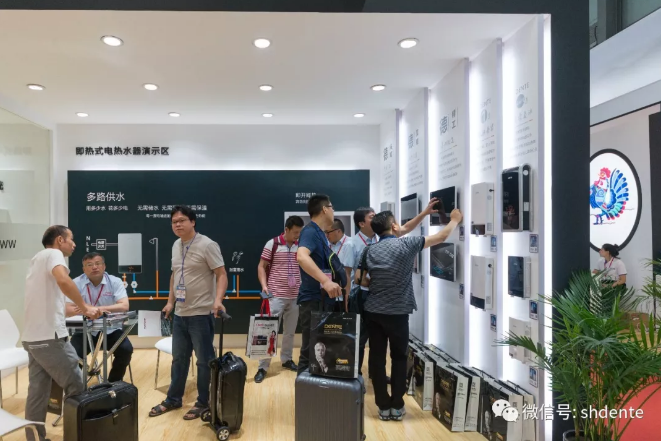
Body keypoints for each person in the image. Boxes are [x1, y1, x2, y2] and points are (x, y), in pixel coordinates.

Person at [355, 206, 462, 421]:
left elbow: (360, 279)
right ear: (394, 226)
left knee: (377, 358)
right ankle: (397, 405)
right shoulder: (407, 244)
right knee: (399, 357)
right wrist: (454, 220)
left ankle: (383, 406)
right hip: (398, 312)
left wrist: (378, 282)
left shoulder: (369, 250)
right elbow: (441, 237)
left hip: (374, 312)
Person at [22, 225, 101, 441]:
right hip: (49, 337)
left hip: (33, 338)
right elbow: (64, 281)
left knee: (38, 392)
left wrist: (75, 308)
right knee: (76, 384)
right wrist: (85, 307)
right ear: (59, 240)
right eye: (71, 239)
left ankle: (35, 439)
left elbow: (50, 297)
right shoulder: (54, 254)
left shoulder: (37, 258)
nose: (74, 244)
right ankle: (77, 436)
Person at [150, 205, 228, 420]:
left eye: (182, 220)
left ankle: (204, 402)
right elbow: (175, 275)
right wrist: (170, 302)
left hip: (201, 314)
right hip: (180, 314)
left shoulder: (207, 244)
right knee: (179, 359)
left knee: (204, 361)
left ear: (193, 222)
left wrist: (218, 300)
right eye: (174, 222)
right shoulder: (176, 245)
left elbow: (221, 274)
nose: (177, 225)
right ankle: (173, 399)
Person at [352, 201, 439, 380]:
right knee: (363, 342)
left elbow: (405, 228)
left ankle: (377, 381)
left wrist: (424, 213)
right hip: (364, 300)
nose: (374, 218)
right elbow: (352, 276)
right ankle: (356, 376)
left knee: (377, 348)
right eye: (371, 216)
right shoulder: (353, 244)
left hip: (376, 302)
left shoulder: (378, 240)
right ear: (362, 223)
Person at [65, 252, 133, 383]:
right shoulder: (76, 283)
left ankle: (114, 383)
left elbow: (124, 306)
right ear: (84, 269)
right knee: (72, 356)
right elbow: (67, 309)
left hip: (110, 330)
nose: (94, 267)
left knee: (126, 350)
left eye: (97, 263)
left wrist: (94, 310)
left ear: (104, 266)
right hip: (84, 331)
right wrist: (88, 310)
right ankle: (77, 387)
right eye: (89, 265)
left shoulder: (115, 281)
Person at [296, 194, 342, 375]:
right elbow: (301, 256)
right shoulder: (310, 232)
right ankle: (304, 390)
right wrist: (325, 281)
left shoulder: (320, 233)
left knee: (319, 351)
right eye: (332, 207)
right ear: (324, 209)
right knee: (310, 352)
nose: (333, 211)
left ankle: (316, 389)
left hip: (321, 301)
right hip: (313, 301)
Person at [254, 215, 304, 383]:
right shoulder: (273, 244)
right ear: (286, 230)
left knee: (290, 332)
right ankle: (263, 366)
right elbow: (261, 266)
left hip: (295, 296)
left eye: (299, 232)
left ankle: (286, 359)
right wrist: (264, 286)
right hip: (275, 295)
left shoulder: (300, 246)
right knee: (269, 331)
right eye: (295, 232)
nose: (297, 235)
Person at [326, 218, 355, 311]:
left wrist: (346, 300)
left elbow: (347, 273)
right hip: (330, 294)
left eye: (328, 232)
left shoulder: (349, 244)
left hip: (343, 296)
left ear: (338, 231)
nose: (326, 235)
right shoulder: (328, 245)